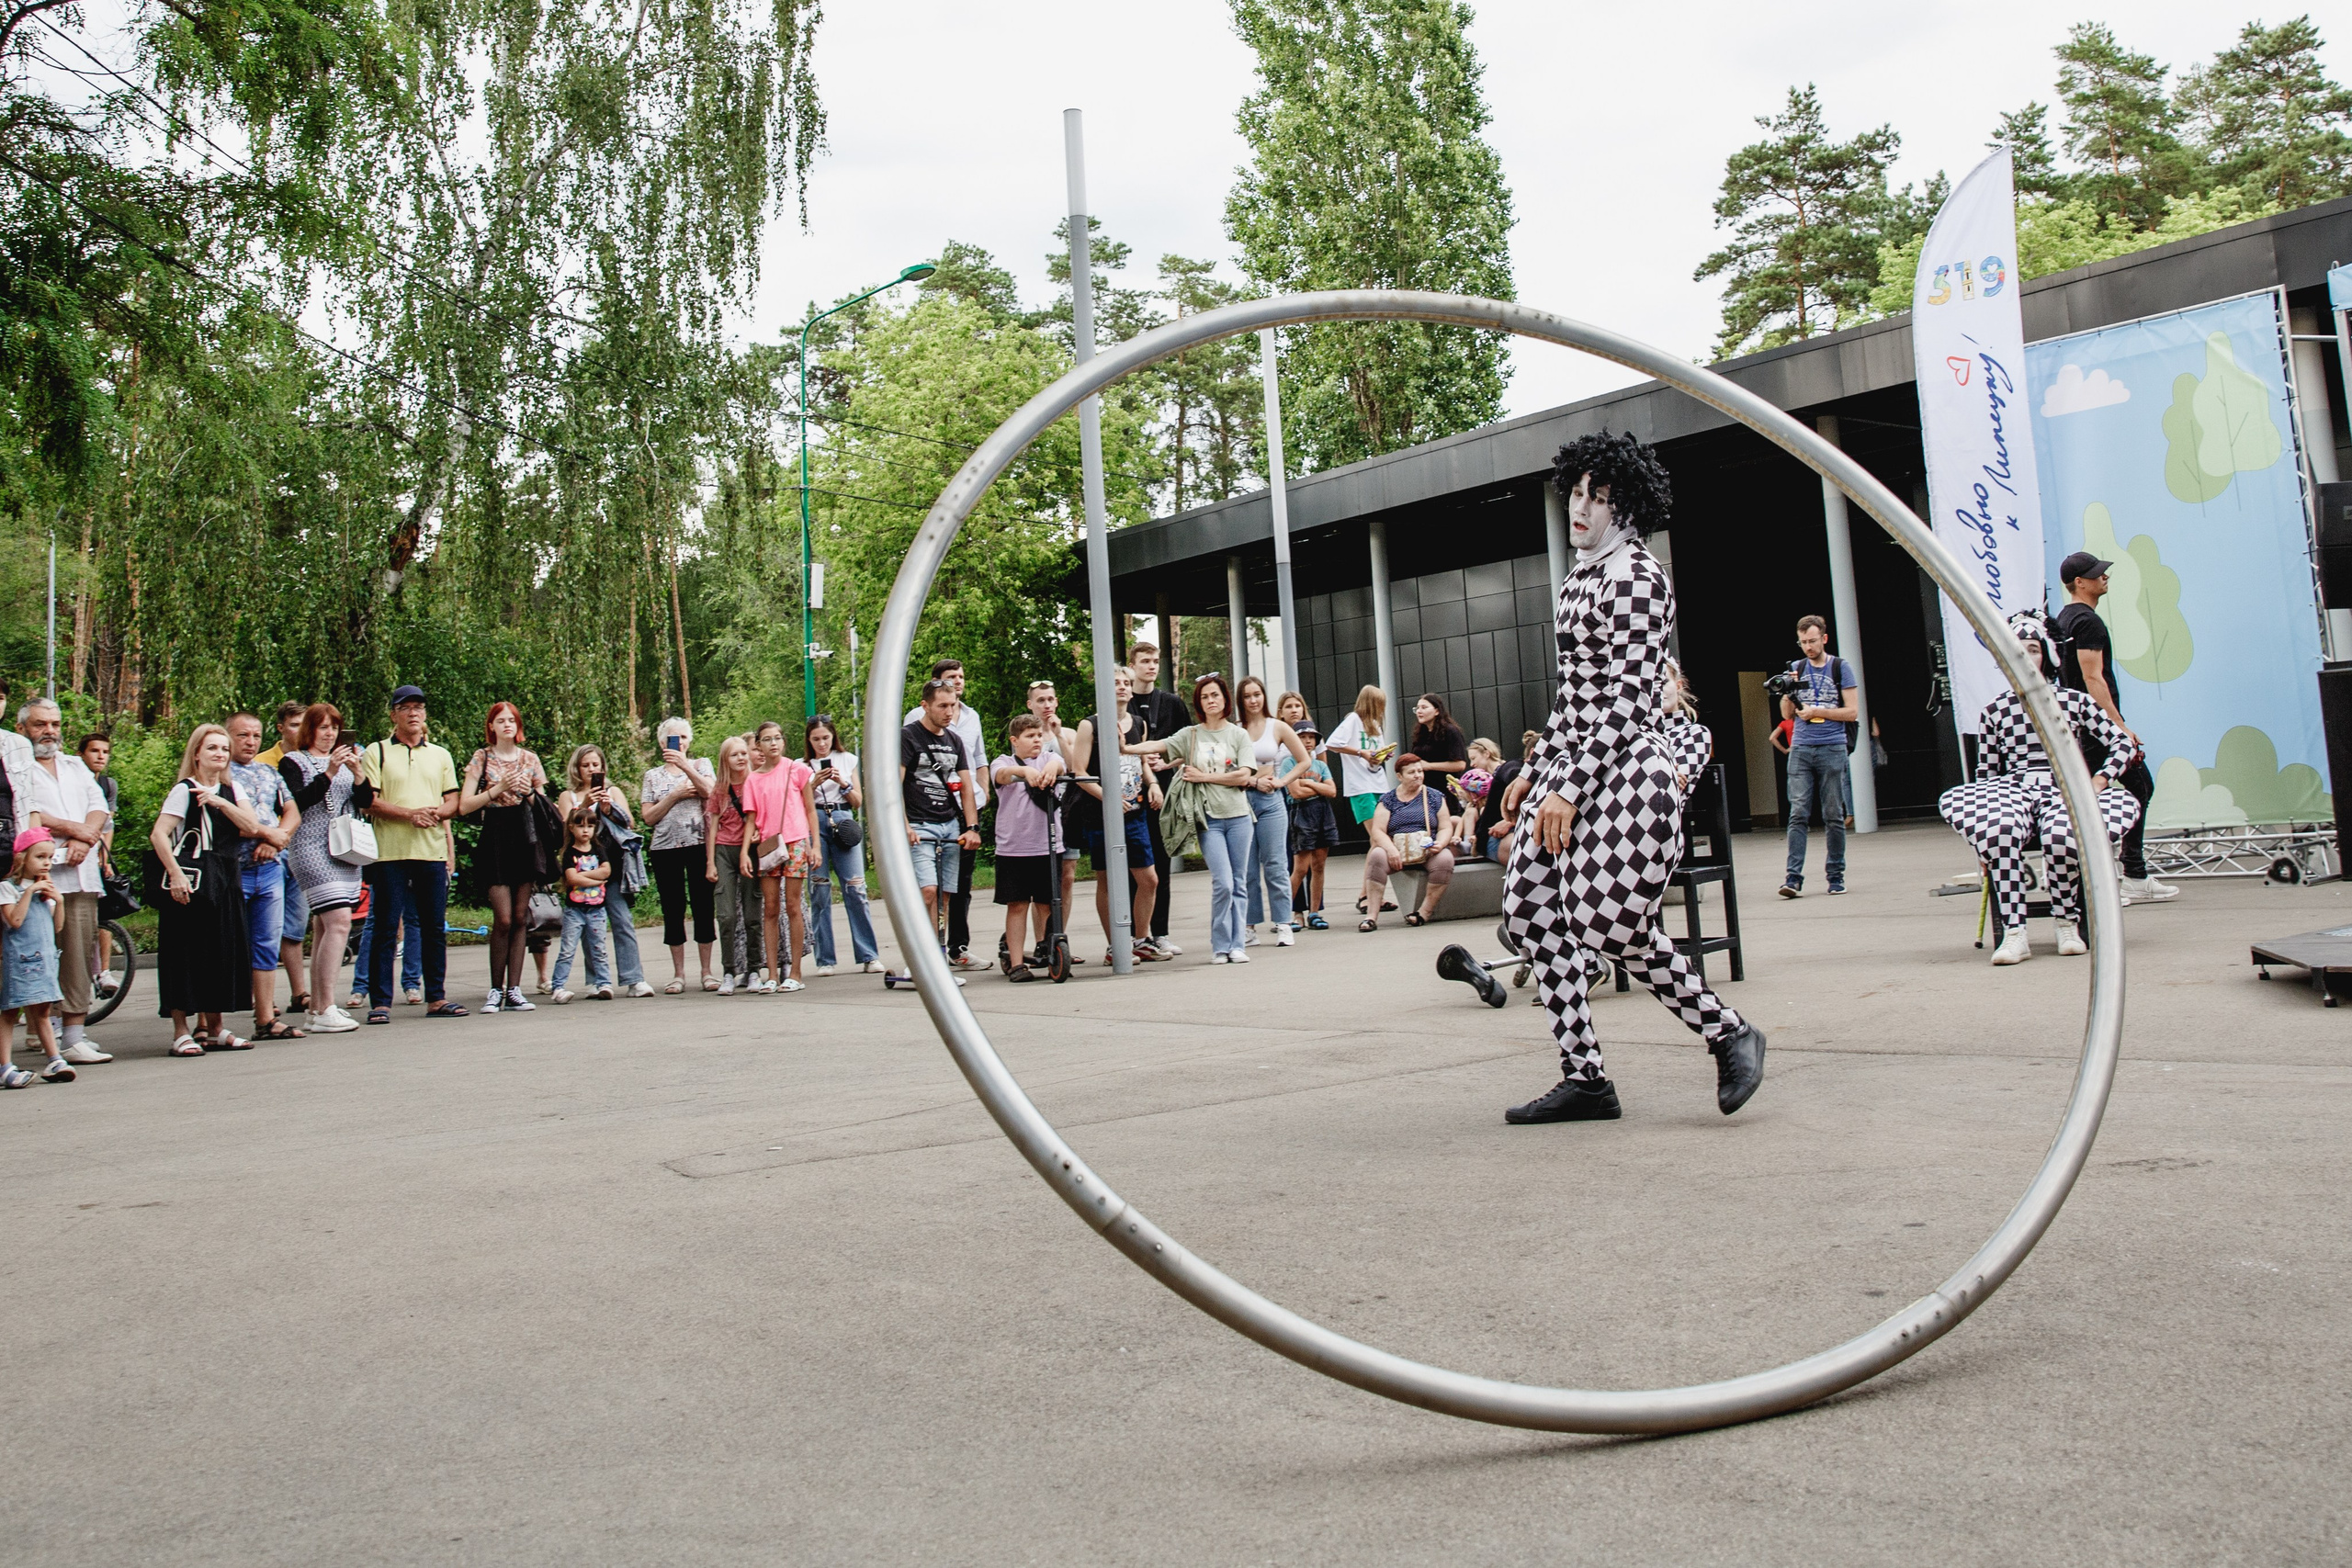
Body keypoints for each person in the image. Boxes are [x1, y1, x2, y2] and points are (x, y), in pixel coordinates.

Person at [1501, 431, 1765, 1125]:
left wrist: (1566, 783)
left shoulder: (1640, 578)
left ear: (1629, 506)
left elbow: (1626, 699)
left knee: (1610, 924)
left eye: (1599, 497)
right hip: (1573, 765)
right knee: (1530, 914)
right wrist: (1535, 770)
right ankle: (1586, 1076)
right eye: (1577, 493)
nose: (1580, 508)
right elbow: (1575, 693)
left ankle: (1728, 1032)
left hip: (1627, 770)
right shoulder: (1580, 577)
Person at [1940, 614, 2143, 965]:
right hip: (2013, 790)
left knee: (2062, 835)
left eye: (2032, 649)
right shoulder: (1994, 711)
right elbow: (1986, 774)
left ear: (2047, 655)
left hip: (2065, 789)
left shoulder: (2074, 701)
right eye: (2017, 649)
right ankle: (2015, 933)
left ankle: (2067, 922)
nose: (2025, 656)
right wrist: (1982, 834)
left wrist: (2099, 780)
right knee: (2000, 832)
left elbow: (2122, 744)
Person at [2054, 551, 2176, 906]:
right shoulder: (2087, 622)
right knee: (2140, 786)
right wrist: (2119, 728)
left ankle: (2125, 875)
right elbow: (2093, 678)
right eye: (2097, 574)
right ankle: (2125, 876)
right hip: (2095, 728)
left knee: (2099, 797)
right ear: (2080, 583)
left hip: (2079, 726)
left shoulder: (2064, 619)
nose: (2105, 577)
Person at [152, 723, 269, 1055]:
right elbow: (159, 834)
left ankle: (215, 1028)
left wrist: (219, 802)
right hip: (192, 881)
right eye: (212, 748)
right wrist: (175, 874)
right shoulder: (184, 790)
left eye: (224, 749)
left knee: (220, 951)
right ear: (197, 754)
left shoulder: (231, 790)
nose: (220, 754)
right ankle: (181, 1031)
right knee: (185, 953)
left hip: (225, 880)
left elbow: (251, 826)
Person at [1125, 673, 1256, 964]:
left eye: (1216, 695)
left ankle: (1238, 944)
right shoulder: (1192, 734)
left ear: (1225, 700)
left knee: (1238, 882)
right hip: (1208, 819)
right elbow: (1158, 746)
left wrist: (1205, 777)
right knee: (1223, 882)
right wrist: (1127, 747)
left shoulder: (1238, 734)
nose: (1211, 701)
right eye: (1205, 696)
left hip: (1239, 817)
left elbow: (1244, 775)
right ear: (1199, 702)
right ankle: (1220, 945)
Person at [358, 686, 468, 1022]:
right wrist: (410, 814)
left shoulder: (440, 754)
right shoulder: (376, 752)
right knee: (386, 926)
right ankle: (380, 1002)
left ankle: (436, 997)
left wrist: (436, 813)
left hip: (430, 850)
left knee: (434, 926)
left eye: (419, 707)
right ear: (393, 715)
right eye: (405, 707)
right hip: (389, 852)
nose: (413, 713)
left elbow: (454, 800)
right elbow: (369, 801)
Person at [17, 699, 113, 1064]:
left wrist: (82, 837)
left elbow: (99, 804)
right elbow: (26, 811)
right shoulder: (17, 766)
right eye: (41, 724)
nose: (50, 732)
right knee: (36, 955)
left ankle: (74, 1035)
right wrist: (74, 829)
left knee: (76, 954)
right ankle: (39, 1029)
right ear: (23, 727)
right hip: (39, 876)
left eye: (55, 724)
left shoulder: (75, 765)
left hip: (81, 872)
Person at [273, 704, 364, 1032]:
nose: (329, 734)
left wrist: (357, 773)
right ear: (310, 730)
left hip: (346, 850)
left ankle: (316, 1008)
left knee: (326, 926)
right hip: (311, 847)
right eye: (323, 728)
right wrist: (328, 772)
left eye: (334, 728)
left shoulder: (345, 761)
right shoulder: (293, 762)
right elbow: (298, 801)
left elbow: (365, 801)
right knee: (339, 922)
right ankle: (326, 1006)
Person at [456, 702, 551, 1013]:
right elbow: (464, 805)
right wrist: (497, 789)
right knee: (504, 917)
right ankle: (495, 989)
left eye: (512, 720)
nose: (507, 724)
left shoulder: (531, 759)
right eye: (501, 720)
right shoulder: (481, 758)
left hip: (525, 836)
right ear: (491, 726)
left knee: (521, 916)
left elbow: (544, 806)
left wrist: (528, 792)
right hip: (496, 835)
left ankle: (515, 989)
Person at [1070, 664, 1164, 965]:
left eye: (1126, 682)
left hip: (1135, 811)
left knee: (1148, 878)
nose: (1122, 687)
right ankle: (1115, 945)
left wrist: (1153, 784)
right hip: (1101, 814)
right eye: (1115, 683)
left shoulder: (1138, 722)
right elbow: (1079, 773)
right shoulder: (1090, 725)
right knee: (1108, 878)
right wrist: (1108, 798)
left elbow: (1142, 761)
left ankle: (1140, 938)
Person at [892, 679, 981, 985]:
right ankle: (916, 961)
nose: (949, 711)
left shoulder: (954, 741)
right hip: (919, 824)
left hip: (949, 824)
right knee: (925, 891)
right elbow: (895, 785)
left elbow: (967, 787)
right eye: (942, 705)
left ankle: (937, 963)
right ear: (925, 705)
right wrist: (902, 825)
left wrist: (972, 827)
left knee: (943, 897)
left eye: (953, 705)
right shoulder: (908, 737)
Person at [225, 712, 304, 1039]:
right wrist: (269, 836)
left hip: (269, 868)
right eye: (243, 735)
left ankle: (265, 1018)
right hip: (231, 870)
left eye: (255, 736)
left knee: (267, 944)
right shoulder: (218, 773)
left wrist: (277, 840)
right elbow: (227, 822)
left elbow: (292, 811)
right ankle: (207, 1022)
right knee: (225, 945)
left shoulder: (268, 771)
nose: (250, 742)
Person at [555, 744, 653, 998]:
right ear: (577, 768)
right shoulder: (568, 796)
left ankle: (635, 979)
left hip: (611, 865)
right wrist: (584, 805)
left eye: (595, 765)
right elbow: (564, 830)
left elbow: (629, 823)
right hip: (579, 867)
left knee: (622, 920)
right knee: (589, 923)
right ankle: (596, 980)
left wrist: (609, 808)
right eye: (585, 765)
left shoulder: (613, 790)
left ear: (602, 767)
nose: (591, 770)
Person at [1777, 615, 1859, 897]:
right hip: (1801, 746)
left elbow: (1852, 711)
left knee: (1833, 814)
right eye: (1803, 642)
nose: (1807, 647)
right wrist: (1789, 690)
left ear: (1824, 638)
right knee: (1797, 812)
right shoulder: (1796, 668)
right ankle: (1793, 878)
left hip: (1832, 745)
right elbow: (1787, 715)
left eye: (1812, 641)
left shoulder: (1840, 668)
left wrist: (1818, 712)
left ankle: (1836, 875)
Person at [640, 716, 718, 993]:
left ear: (690, 741)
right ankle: (679, 974)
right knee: (672, 909)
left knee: (703, 907)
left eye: (683, 737)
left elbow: (710, 791)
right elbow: (649, 817)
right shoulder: (652, 776)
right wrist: (673, 795)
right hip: (664, 849)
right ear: (663, 743)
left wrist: (685, 765)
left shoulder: (702, 765)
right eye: (673, 738)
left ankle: (707, 972)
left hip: (698, 845)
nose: (679, 742)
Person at [737, 721, 816, 994]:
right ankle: (771, 973)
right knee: (770, 907)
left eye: (778, 738)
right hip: (769, 847)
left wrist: (813, 845)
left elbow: (810, 810)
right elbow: (751, 818)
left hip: (794, 841)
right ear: (757, 745)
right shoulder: (754, 779)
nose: (773, 743)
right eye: (767, 739)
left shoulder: (797, 770)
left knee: (793, 905)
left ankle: (795, 971)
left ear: (784, 742)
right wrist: (744, 854)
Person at [1235, 675, 1312, 947]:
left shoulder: (1276, 727)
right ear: (1240, 700)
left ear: (1264, 697)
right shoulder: (1235, 729)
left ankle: (1283, 922)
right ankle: (1249, 925)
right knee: (1247, 868)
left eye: (1258, 694)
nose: (1253, 700)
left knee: (1276, 864)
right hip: (1242, 800)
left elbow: (1304, 759)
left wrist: (1282, 781)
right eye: (1247, 696)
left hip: (1270, 801)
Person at [1126, 642, 1190, 956]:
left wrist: (1166, 763)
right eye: (1145, 661)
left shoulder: (1172, 703)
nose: (1151, 666)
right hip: (1130, 795)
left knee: (1161, 865)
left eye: (1155, 661)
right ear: (1132, 665)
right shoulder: (1121, 702)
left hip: (1164, 794)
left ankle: (1160, 932)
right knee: (1133, 867)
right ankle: (1133, 934)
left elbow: (1190, 744)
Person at [803, 716, 880, 976]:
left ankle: (868, 954)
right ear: (809, 741)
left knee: (855, 887)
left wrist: (842, 782)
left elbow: (858, 801)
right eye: (816, 739)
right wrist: (812, 783)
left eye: (826, 738)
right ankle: (825, 959)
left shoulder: (847, 760)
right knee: (819, 888)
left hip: (843, 819)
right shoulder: (800, 765)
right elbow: (795, 801)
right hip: (814, 821)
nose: (822, 744)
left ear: (833, 737)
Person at [990, 715, 1065, 981]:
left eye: (1038, 735)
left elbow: (1060, 764)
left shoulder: (1048, 759)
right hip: (1014, 849)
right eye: (1029, 736)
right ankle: (1017, 962)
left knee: (1047, 903)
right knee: (1018, 905)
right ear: (1014, 740)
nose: (1036, 740)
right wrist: (1024, 771)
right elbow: (1000, 775)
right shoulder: (1004, 762)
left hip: (1048, 845)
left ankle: (1047, 948)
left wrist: (1051, 769)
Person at [0, 829, 75, 1085]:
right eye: (40, 856)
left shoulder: (47, 891)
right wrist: (30, 891)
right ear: (22, 858)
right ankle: (5, 1066)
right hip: (20, 962)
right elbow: (15, 921)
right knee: (10, 1011)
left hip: (43, 960)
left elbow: (57, 928)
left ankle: (55, 1060)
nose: (46, 862)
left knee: (42, 1010)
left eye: (50, 857)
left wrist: (59, 902)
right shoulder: (8, 889)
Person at [1019, 681, 1084, 966]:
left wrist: (1059, 736)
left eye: (1050, 699)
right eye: (1040, 700)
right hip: (1036, 815)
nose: (1046, 705)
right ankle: (1041, 942)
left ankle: (1059, 938)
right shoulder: (1025, 737)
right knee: (1042, 881)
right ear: (1030, 705)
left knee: (1067, 876)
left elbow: (1074, 768)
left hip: (1066, 812)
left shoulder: (1068, 734)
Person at [1357, 753, 1455, 929]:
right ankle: (1371, 916)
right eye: (1412, 772)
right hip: (1397, 847)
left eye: (1420, 771)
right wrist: (1391, 849)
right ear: (1399, 776)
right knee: (1377, 855)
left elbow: (1445, 826)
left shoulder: (1434, 796)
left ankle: (1423, 913)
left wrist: (1440, 843)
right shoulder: (1388, 799)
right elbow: (1378, 831)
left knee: (1445, 859)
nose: (1418, 775)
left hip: (1426, 848)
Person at [707, 736, 757, 993]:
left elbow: (758, 817)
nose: (740, 758)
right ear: (725, 760)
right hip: (725, 851)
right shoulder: (719, 790)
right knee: (726, 915)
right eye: (734, 755)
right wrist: (710, 862)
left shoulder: (755, 783)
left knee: (752, 914)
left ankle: (754, 969)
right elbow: (712, 827)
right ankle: (729, 970)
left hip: (750, 852)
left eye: (743, 753)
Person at [550, 805, 616, 1001]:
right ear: (571, 828)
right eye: (580, 826)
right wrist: (595, 881)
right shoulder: (569, 853)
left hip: (597, 910)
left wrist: (583, 875)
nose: (585, 830)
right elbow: (572, 879)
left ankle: (604, 983)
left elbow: (606, 871)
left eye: (590, 826)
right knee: (567, 949)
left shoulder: (598, 849)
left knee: (599, 949)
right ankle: (558, 986)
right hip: (575, 910)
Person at [1285, 717, 1338, 929]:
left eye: (1311, 737)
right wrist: (1316, 785)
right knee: (1301, 867)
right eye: (1302, 737)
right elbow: (1295, 792)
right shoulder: (1289, 764)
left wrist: (1307, 782)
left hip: (1323, 813)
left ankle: (1315, 913)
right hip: (1301, 814)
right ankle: (1285, 915)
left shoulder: (1320, 765)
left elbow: (1332, 790)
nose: (1307, 741)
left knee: (1319, 864)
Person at [1325, 684, 1394, 829]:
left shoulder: (1375, 725)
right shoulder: (1353, 720)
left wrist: (1383, 755)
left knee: (1384, 832)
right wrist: (1360, 752)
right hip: (1360, 785)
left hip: (1379, 784)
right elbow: (1331, 743)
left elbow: (1375, 754)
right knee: (1377, 833)